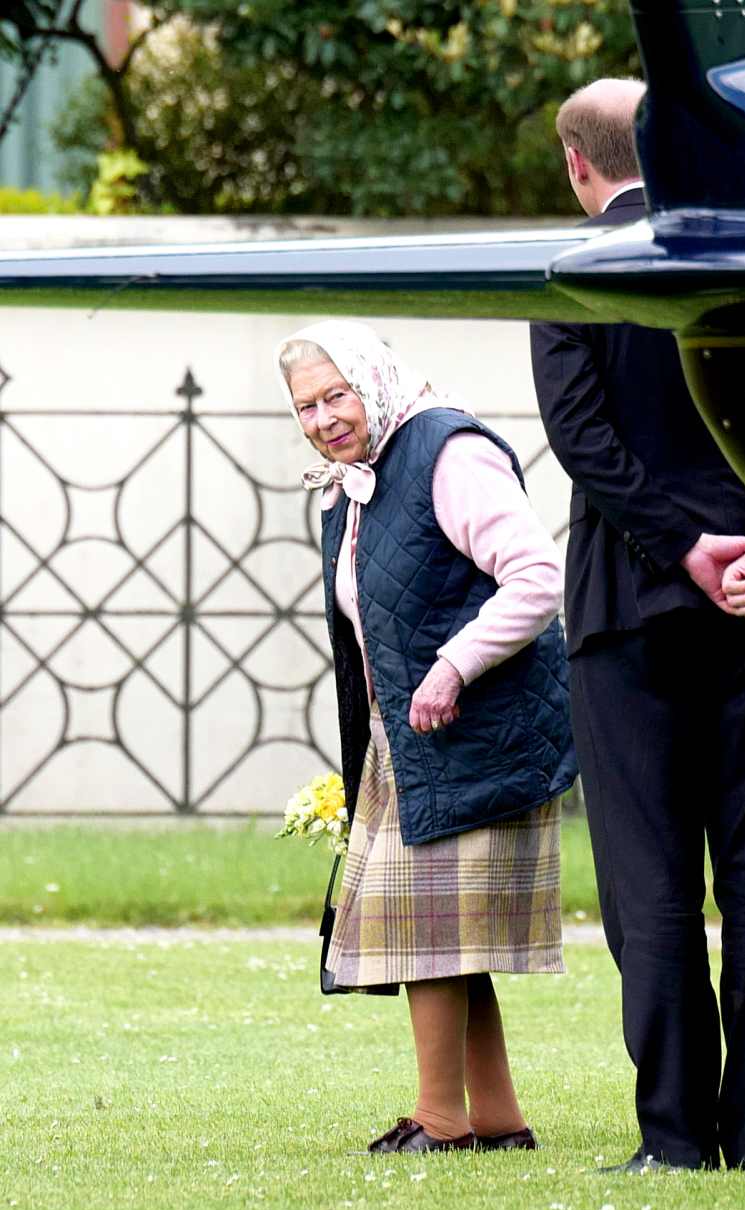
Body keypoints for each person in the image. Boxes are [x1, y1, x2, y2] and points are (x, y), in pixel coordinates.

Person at [530, 79, 745, 1172]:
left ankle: (673, 1139)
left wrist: (680, 551)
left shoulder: (575, 271)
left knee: (649, 886)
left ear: (577, 165)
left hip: (628, 611)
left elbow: (584, 442)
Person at [276, 320, 576, 1154]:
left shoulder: (448, 453)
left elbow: (536, 577)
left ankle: (440, 1120)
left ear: (372, 381)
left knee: (428, 936)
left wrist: (451, 668)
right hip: (408, 740)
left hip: (475, 732)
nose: (325, 418)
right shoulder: (357, 480)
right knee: (442, 935)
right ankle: (498, 1119)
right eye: (307, 406)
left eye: (337, 395)